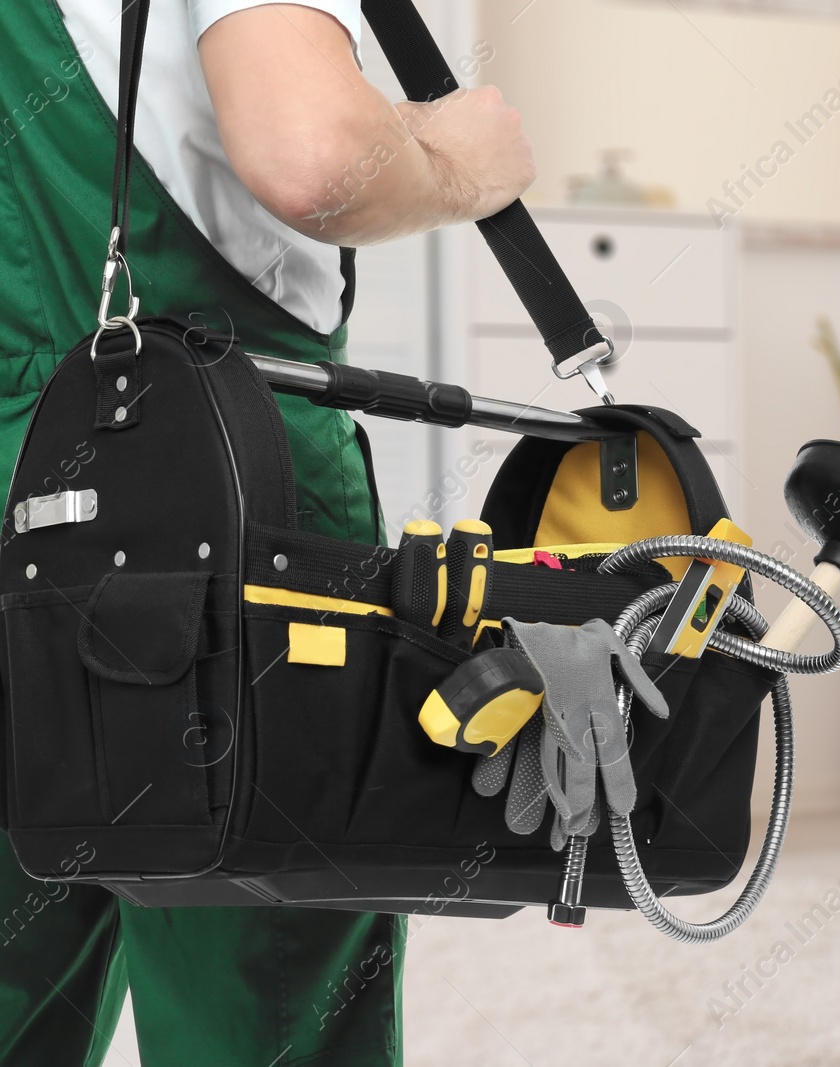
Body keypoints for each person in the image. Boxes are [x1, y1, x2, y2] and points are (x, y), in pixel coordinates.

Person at [0, 2, 536, 1062]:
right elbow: (319, 159)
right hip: (212, 473)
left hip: (21, 455)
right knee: (261, 970)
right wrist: (462, 159)